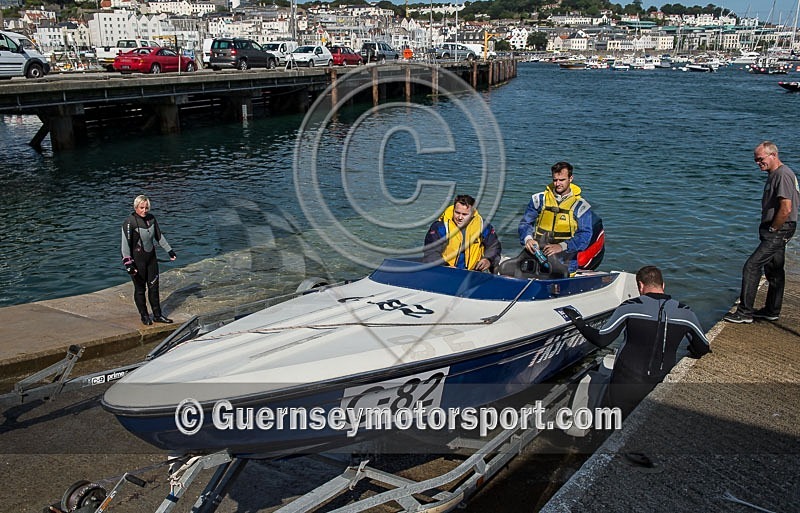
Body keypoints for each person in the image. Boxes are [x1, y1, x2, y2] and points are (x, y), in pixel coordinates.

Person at [562, 266, 711, 416]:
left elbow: (602, 339)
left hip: (625, 384)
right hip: (659, 384)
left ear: (640, 285)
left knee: (616, 424)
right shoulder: (685, 312)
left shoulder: (630, 307)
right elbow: (703, 347)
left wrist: (578, 321)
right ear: (663, 285)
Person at [724, 141, 799, 324]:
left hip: (780, 228)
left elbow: (786, 208)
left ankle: (745, 312)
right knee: (773, 269)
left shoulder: (782, 175)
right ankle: (771, 310)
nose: (758, 163)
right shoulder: (775, 174)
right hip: (778, 228)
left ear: (773, 155)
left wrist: (774, 228)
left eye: (760, 159)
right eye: (756, 160)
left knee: (751, 266)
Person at [518, 161, 593, 275]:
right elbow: (525, 223)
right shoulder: (539, 199)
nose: (557, 184)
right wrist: (528, 239)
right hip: (537, 258)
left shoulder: (581, 206)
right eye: (555, 180)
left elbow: (585, 236)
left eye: (562, 180)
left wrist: (561, 246)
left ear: (570, 178)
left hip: (566, 262)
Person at [121, 195, 177, 325]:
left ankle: (157, 315)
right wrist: (128, 264)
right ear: (136, 207)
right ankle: (144, 316)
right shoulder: (130, 222)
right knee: (140, 290)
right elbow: (125, 245)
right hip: (137, 262)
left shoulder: (151, 219)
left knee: (154, 288)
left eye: (146, 208)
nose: (144, 210)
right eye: (141, 208)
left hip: (151, 260)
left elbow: (159, 236)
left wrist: (169, 250)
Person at [422, 194, 501, 272]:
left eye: (464, 214)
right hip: (445, 271)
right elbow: (431, 252)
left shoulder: (483, 226)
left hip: (473, 272)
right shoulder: (440, 227)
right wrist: (445, 267)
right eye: (457, 213)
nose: (460, 217)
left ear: (473, 214)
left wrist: (488, 260)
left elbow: (494, 246)